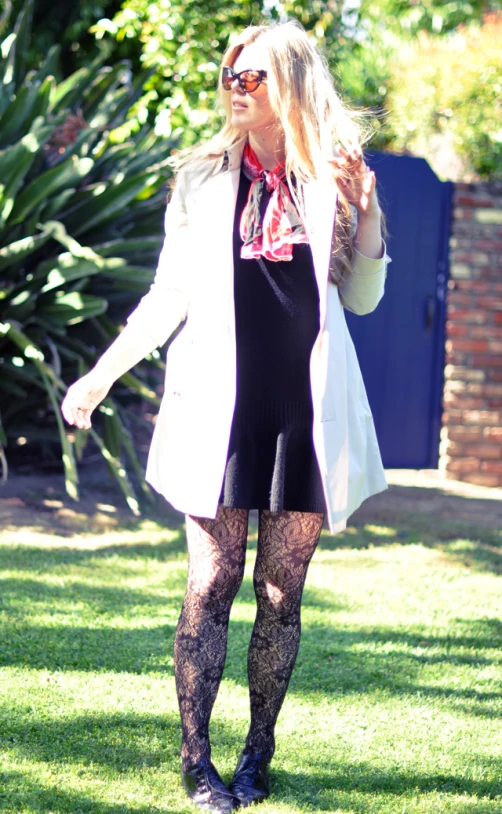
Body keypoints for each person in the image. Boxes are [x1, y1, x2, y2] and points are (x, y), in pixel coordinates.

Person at [62, 19, 390, 814]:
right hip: (221, 405)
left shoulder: (334, 178)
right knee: (210, 582)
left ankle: (256, 755)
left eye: (252, 78)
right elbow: (169, 294)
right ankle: (196, 760)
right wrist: (102, 376)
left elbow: (363, 297)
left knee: (281, 592)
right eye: (230, 77)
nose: (235, 90)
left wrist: (368, 211)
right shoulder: (203, 178)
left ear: (291, 85)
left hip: (304, 412)